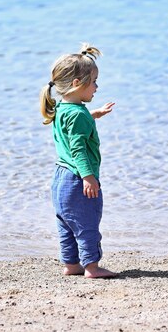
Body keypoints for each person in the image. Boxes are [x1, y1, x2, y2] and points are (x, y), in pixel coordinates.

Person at [39, 43, 117, 278]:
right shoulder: (78, 114)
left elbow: (71, 127)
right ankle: (92, 267)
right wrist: (88, 177)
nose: (96, 86)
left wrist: (93, 115)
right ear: (77, 84)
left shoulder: (62, 108)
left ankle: (72, 265)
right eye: (93, 81)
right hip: (77, 179)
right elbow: (78, 149)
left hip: (60, 179)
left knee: (66, 224)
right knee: (86, 224)